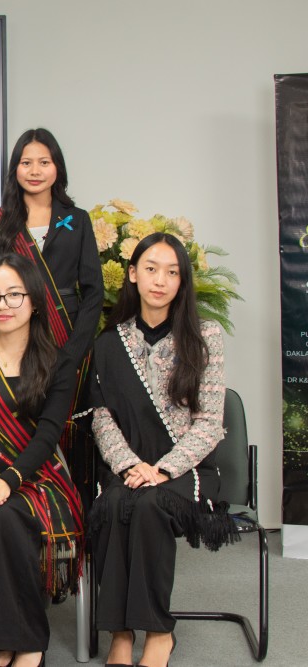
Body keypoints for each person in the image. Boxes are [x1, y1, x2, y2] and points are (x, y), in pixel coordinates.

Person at [90, 233, 237, 667]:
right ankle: (120, 631)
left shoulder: (204, 336)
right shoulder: (109, 343)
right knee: (115, 502)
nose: (161, 280)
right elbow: (101, 417)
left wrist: (163, 468)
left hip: (187, 469)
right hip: (127, 467)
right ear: (132, 275)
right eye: (151, 269)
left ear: (183, 281)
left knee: (150, 505)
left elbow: (210, 423)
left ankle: (158, 630)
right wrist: (132, 465)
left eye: (172, 272)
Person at [0, 253, 84, 667]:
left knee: (8, 517)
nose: (2, 305)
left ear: (35, 301)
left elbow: (47, 436)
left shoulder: (57, 364)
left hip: (38, 479)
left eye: (13, 295)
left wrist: (8, 480)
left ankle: (25, 645)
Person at [0, 128, 102, 458]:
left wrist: (73, 353)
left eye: (43, 162)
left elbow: (93, 293)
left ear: (57, 167)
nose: (34, 171)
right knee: (19, 424)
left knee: (67, 428)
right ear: (14, 169)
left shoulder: (78, 220)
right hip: (12, 339)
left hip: (67, 336)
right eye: (26, 162)